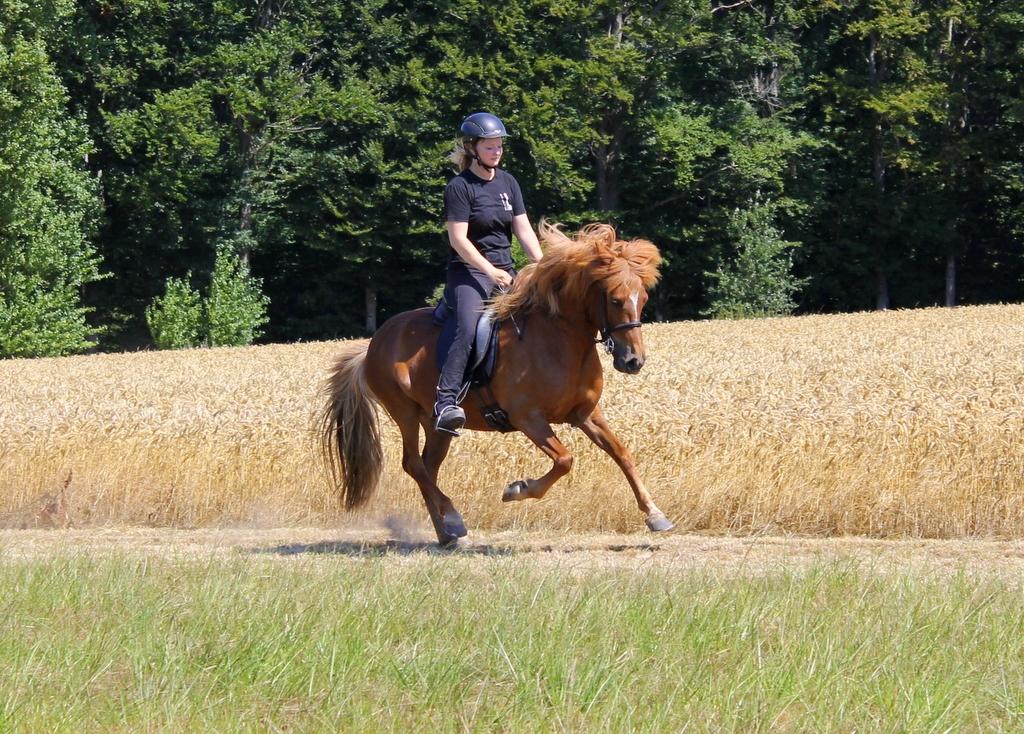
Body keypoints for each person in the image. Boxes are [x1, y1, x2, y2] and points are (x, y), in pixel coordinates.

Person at [434, 111, 543, 434]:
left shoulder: (508, 182)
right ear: (472, 148)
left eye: (499, 146)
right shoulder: (460, 187)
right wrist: (490, 270)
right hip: (469, 272)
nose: (497, 152)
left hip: (506, 269)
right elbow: (458, 239)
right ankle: (446, 401)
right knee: (468, 328)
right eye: (490, 147)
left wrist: (541, 264)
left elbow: (523, 229)